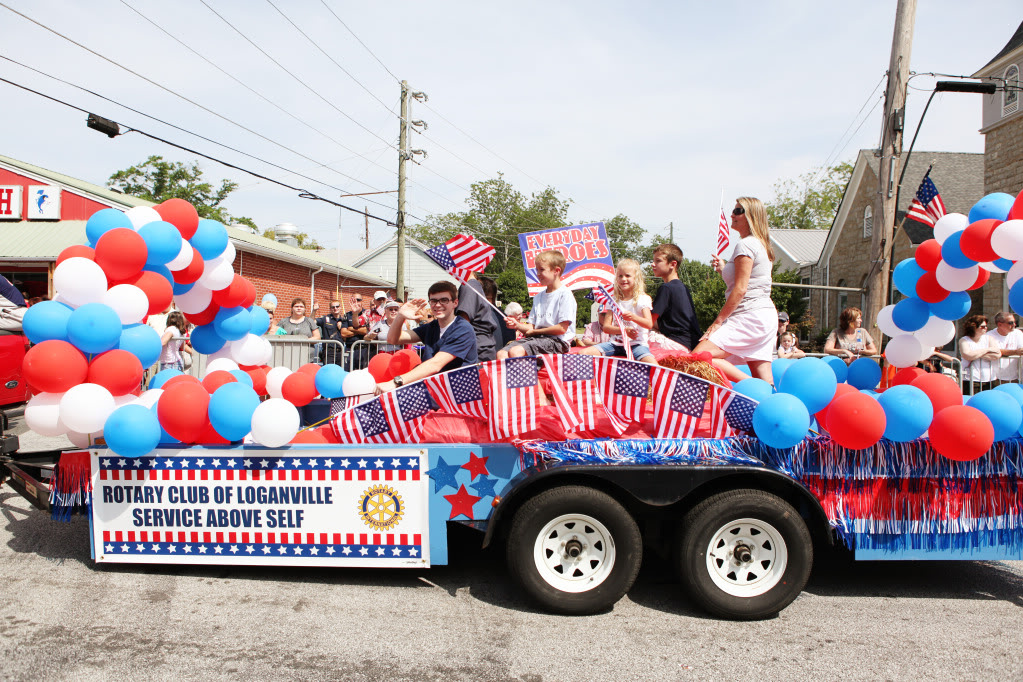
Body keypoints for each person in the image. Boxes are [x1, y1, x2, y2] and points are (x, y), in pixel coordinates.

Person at [693, 197, 778, 383]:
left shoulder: (746, 245)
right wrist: (725, 269)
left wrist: (717, 322)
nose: (732, 214)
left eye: (738, 211)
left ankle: (753, 387)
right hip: (764, 316)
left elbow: (740, 289)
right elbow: (749, 281)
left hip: (749, 316)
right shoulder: (760, 244)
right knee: (764, 376)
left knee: (699, 357)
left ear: (751, 216)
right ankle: (768, 397)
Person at [375, 281, 478, 392]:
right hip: (435, 392)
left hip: (458, 395)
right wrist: (400, 316)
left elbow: (436, 364)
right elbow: (393, 339)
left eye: (444, 300)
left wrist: (396, 382)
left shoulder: (463, 329)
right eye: (434, 301)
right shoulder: (432, 327)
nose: (438, 305)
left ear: (455, 303)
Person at [498, 250, 577, 359]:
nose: (538, 274)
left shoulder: (565, 294)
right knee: (501, 354)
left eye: (542, 270)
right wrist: (517, 325)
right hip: (538, 338)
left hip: (558, 341)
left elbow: (561, 328)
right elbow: (532, 325)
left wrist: (535, 331)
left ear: (556, 271)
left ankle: (526, 375)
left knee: (516, 352)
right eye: (537, 269)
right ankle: (510, 375)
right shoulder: (538, 297)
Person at [580, 259, 657, 365]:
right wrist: (624, 331)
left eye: (627, 275)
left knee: (653, 365)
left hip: (637, 344)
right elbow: (606, 328)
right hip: (615, 344)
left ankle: (663, 381)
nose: (623, 279)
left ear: (636, 278)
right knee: (582, 353)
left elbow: (649, 324)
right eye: (620, 276)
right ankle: (591, 381)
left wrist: (633, 317)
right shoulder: (613, 300)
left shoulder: (643, 299)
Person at [650, 244, 701, 351]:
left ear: (672, 264)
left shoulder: (666, 288)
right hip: (691, 343)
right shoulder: (682, 287)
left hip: (676, 343)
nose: (652, 264)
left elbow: (648, 322)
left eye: (658, 261)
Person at [456, 271, 497, 362]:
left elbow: (463, 322)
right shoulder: (475, 286)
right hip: (483, 348)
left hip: (476, 351)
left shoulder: (469, 286)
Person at [959, 314, 1000, 393]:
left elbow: (997, 354)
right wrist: (987, 349)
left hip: (990, 378)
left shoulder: (989, 338)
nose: (985, 328)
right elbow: (967, 355)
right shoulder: (964, 340)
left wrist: (976, 354)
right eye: (983, 326)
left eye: (986, 326)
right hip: (971, 378)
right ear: (974, 327)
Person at [278, 297, 321, 363]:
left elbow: (317, 337)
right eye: (296, 306)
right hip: (288, 356)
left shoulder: (309, 321)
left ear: (304, 309)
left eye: (301, 306)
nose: (299, 308)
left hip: (307, 357)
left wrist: (303, 340)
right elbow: (276, 335)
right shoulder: (283, 322)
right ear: (292, 308)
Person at [985, 311, 1023, 384]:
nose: (1014, 325)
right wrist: (1015, 352)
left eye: (1015, 322)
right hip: (995, 378)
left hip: (1014, 377)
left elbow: (1021, 350)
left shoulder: (1018, 333)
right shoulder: (989, 336)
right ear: (1000, 324)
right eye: (1010, 323)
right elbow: (996, 351)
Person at [340, 294, 369, 369]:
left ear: (362, 301)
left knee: (363, 374)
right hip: (350, 348)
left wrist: (351, 329)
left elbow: (367, 331)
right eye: (354, 300)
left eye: (358, 300)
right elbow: (343, 333)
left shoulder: (367, 314)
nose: (356, 302)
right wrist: (359, 331)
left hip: (364, 349)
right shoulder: (347, 315)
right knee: (347, 373)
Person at [315, 299, 347, 365]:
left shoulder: (344, 320)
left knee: (340, 372)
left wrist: (341, 328)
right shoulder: (325, 319)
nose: (335, 308)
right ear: (330, 309)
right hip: (328, 351)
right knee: (328, 371)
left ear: (340, 307)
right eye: (333, 307)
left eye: (337, 306)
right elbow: (312, 322)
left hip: (340, 351)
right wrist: (314, 311)